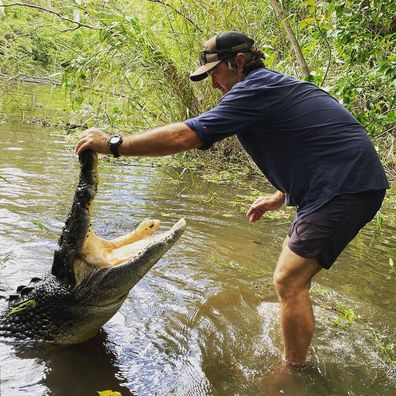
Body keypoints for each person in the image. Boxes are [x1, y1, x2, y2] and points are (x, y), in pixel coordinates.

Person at [75, 31, 389, 365]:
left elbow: (185, 136)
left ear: (238, 62)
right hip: (344, 183)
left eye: (214, 73)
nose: (212, 84)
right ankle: (299, 331)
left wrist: (113, 144)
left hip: (345, 187)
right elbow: (314, 141)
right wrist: (281, 196)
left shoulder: (254, 90)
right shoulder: (269, 88)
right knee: (290, 277)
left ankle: (293, 370)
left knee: (288, 279)